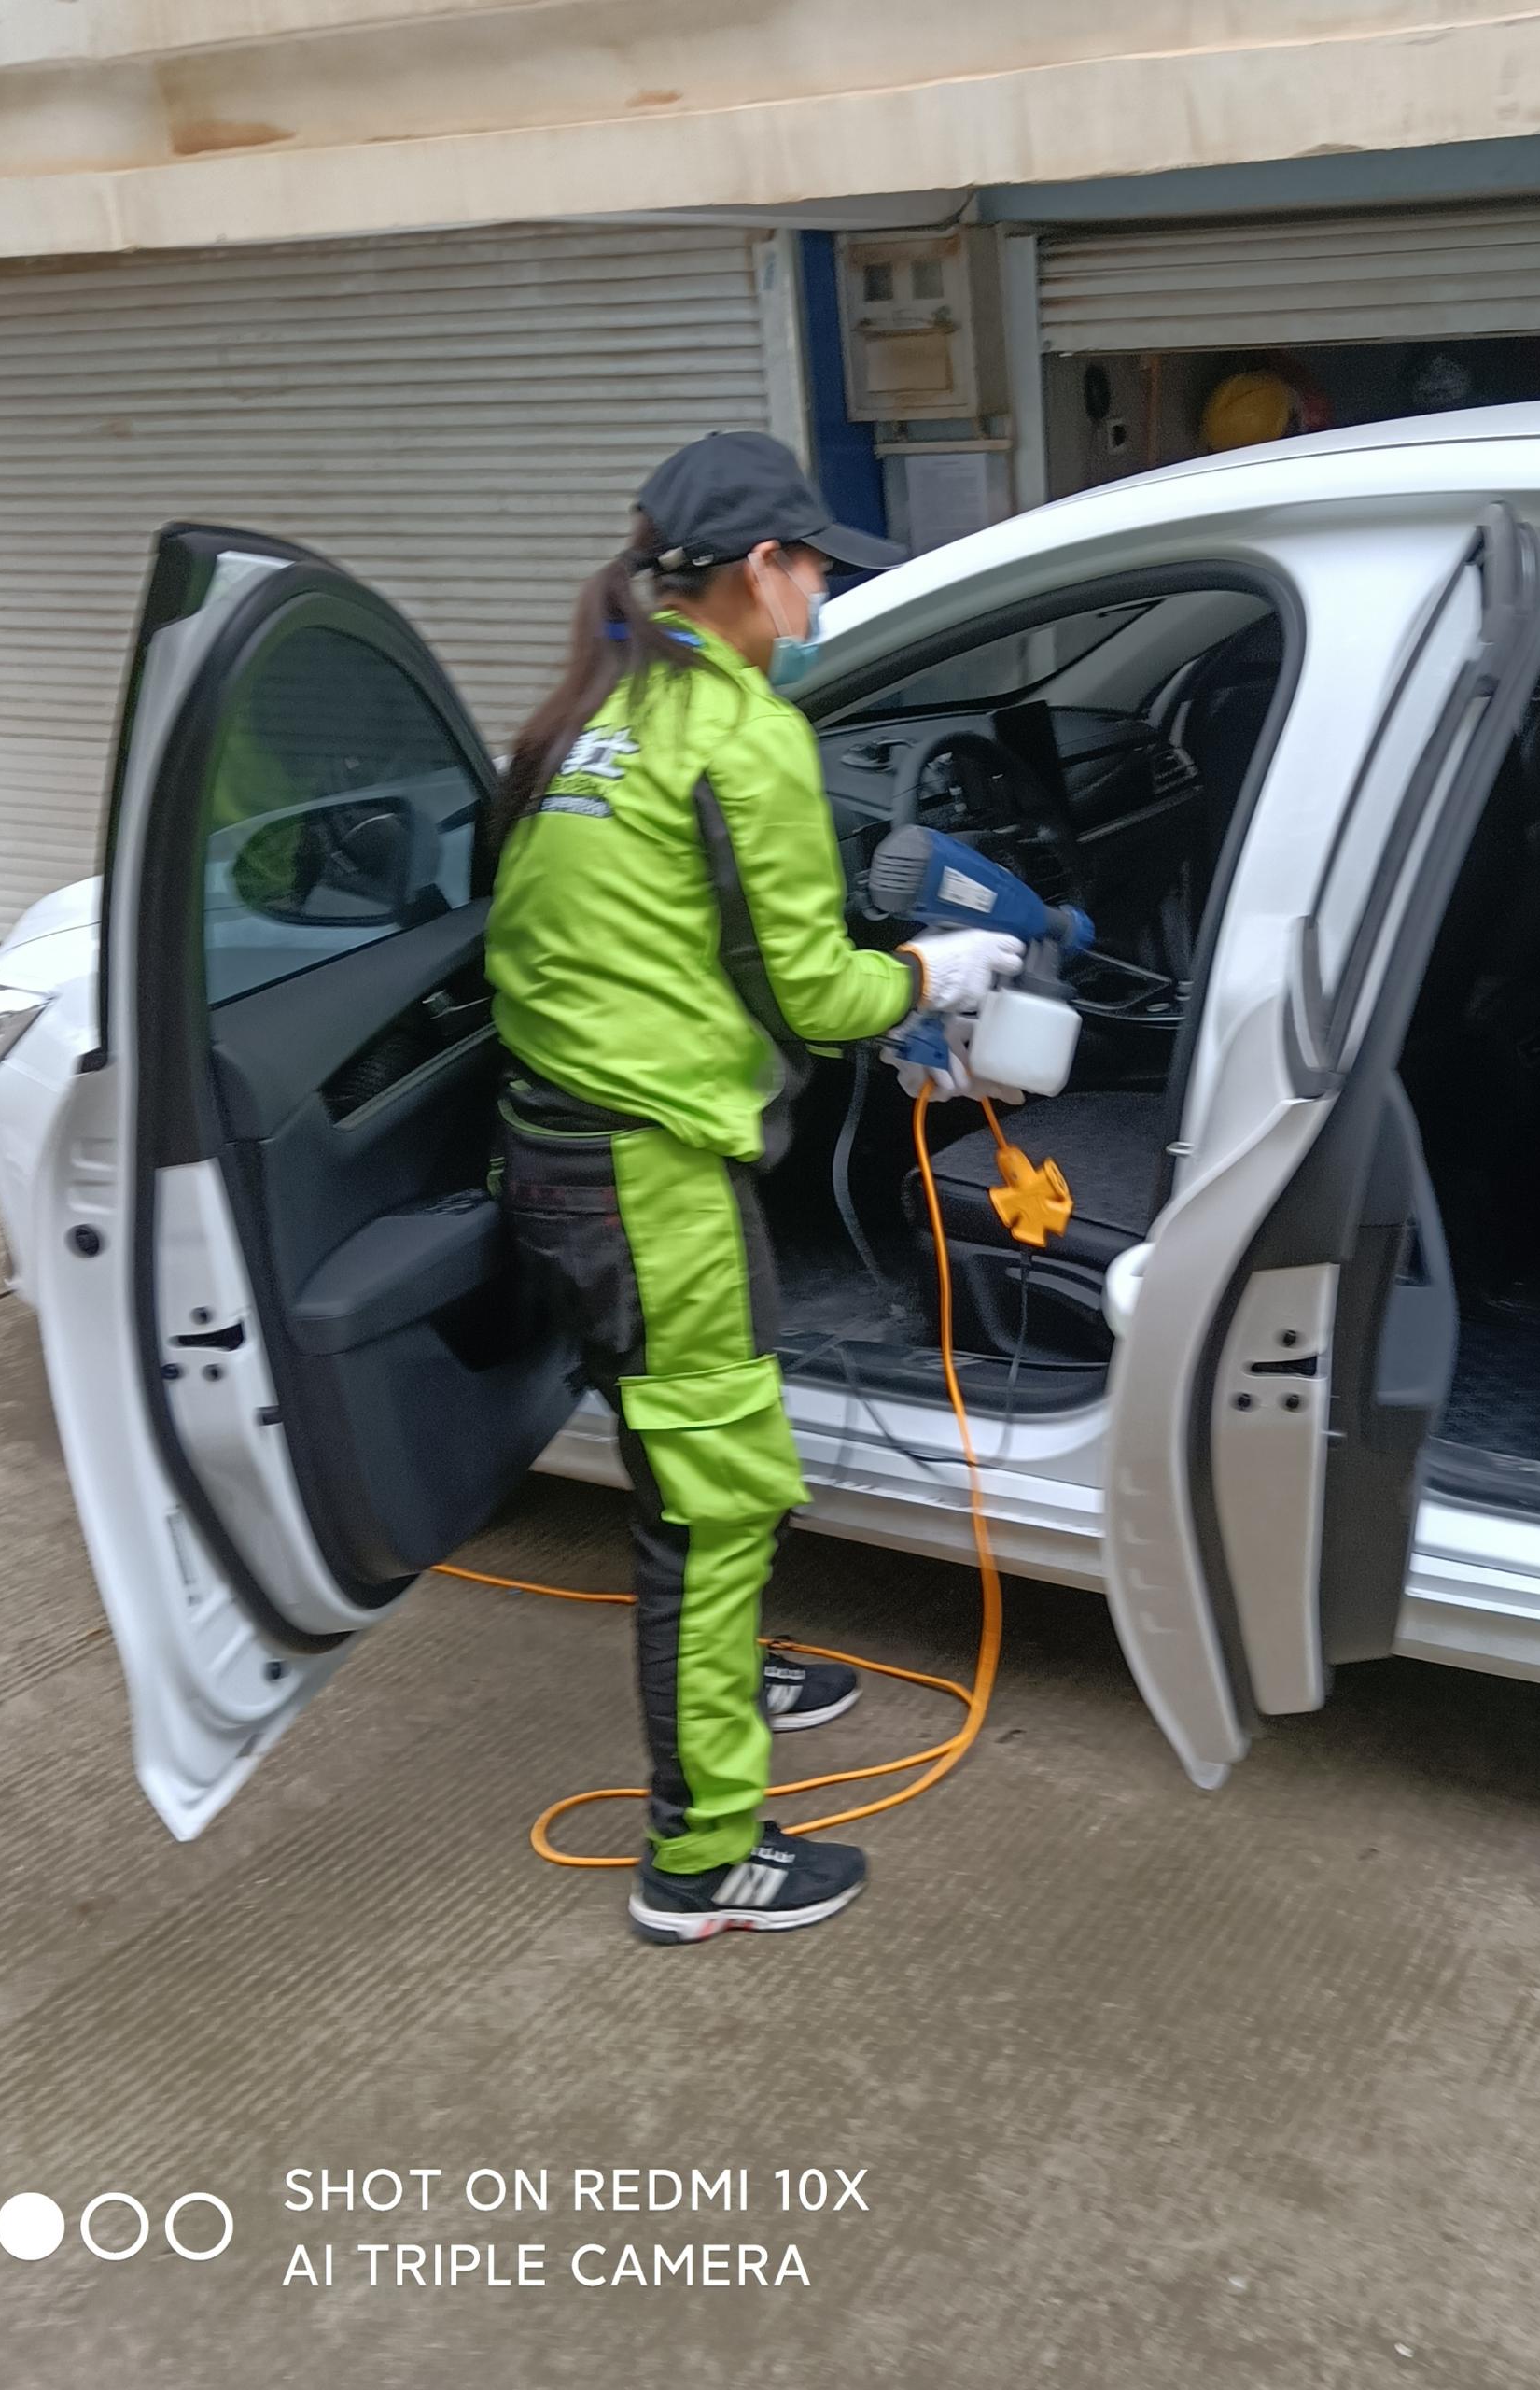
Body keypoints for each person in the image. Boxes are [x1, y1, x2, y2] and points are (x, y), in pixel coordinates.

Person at [483, 431, 1022, 1943]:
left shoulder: (598, 714)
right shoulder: (743, 733)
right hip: (653, 1179)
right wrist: (935, 972)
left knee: (686, 1462)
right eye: (816, 568)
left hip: (559, 1153)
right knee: (716, 1504)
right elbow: (812, 993)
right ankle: (703, 1858)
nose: (823, 597)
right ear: (763, 568)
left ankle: (729, 1668)